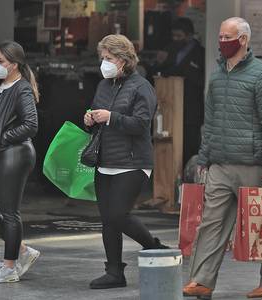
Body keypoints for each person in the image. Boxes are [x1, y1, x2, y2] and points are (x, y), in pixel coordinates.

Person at [182, 17, 262, 299]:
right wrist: (203, 157)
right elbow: (211, 120)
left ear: (243, 40)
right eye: (220, 36)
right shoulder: (216, 75)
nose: (222, 42)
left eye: (228, 37)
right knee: (210, 225)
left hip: (253, 164)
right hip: (220, 163)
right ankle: (201, 280)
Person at [84, 34, 169, 289]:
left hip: (132, 162)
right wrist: (89, 120)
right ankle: (114, 272)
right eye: (102, 58)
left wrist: (111, 117)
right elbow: (97, 117)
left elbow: (142, 124)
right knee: (108, 219)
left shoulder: (142, 86)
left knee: (118, 215)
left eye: (108, 58)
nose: (104, 63)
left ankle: (154, 247)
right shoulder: (103, 85)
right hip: (105, 159)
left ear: (123, 60)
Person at [0, 41, 41, 283]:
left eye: (1, 62)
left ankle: (9, 267)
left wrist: (3, 137)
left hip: (14, 153)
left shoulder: (21, 88)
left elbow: (31, 125)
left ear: (14, 64)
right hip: (3, 152)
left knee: (9, 212)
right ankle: (22, 250)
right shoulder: (2, 86)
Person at [149, 17, 205, 167]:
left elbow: (201, 80)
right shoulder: (170, 49)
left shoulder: (201, 53)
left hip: (191, 109)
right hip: (170, 107)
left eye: (179, 36)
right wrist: (158, 63)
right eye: (174, 36)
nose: (176, 39)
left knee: (190, 146)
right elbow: (156, 73)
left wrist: (184, 72)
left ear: (189, 35)